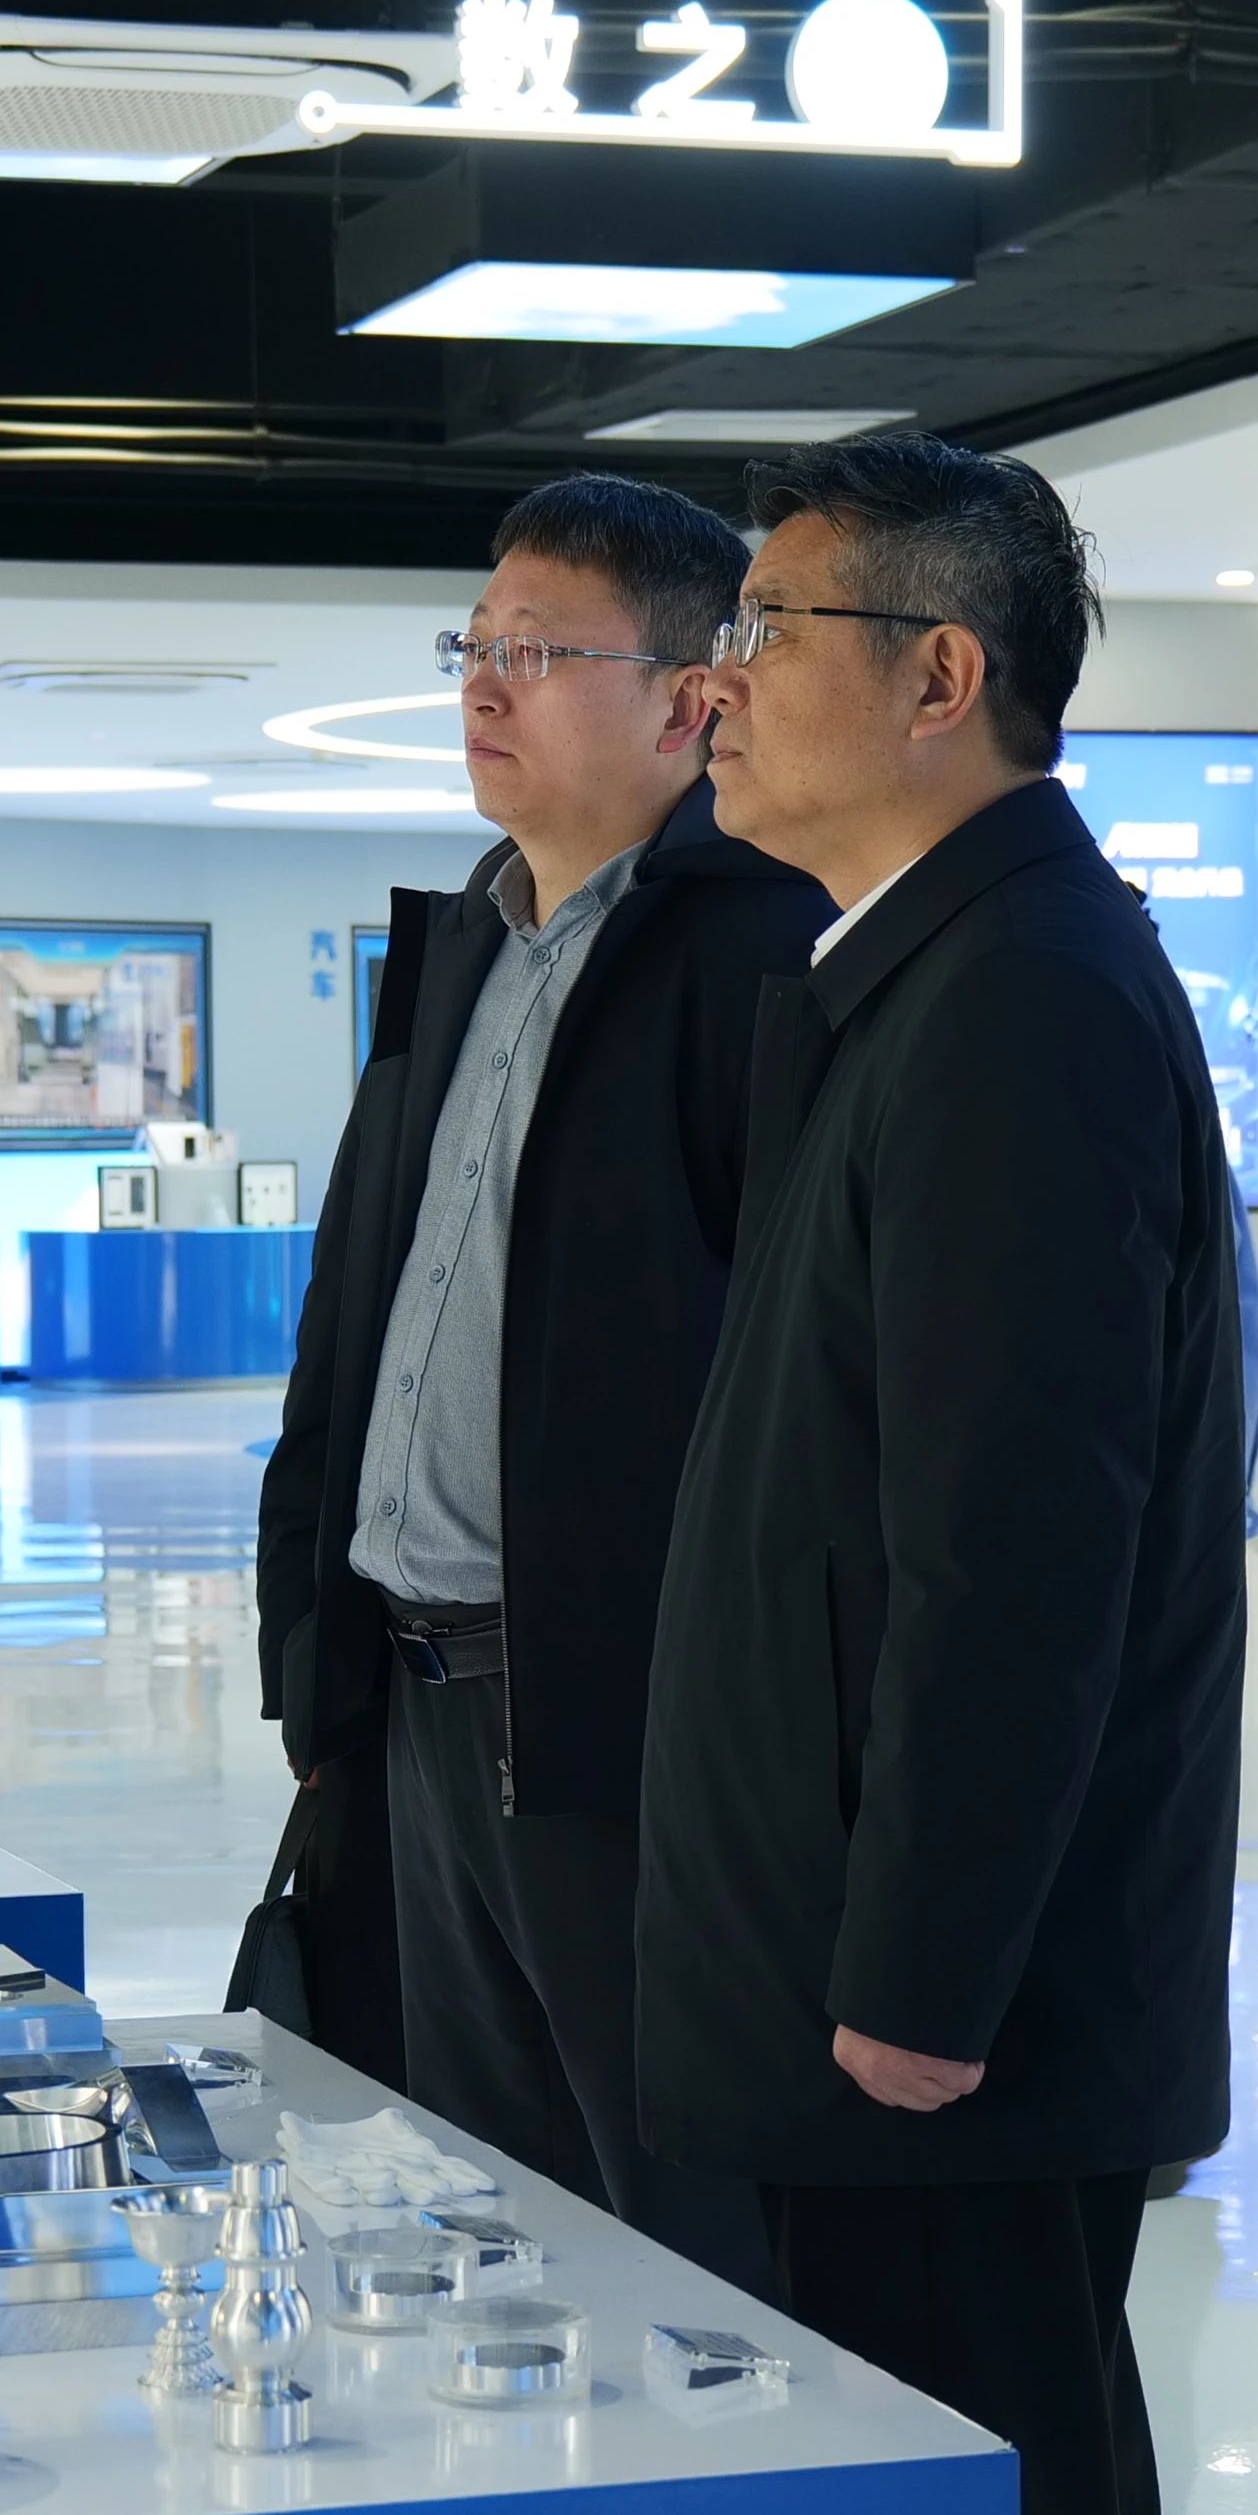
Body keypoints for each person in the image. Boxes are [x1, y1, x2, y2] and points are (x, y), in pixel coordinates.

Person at [642, 437, 1237, 2515]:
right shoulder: (927, 968)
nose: (719, 684)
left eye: (767, 626)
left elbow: (1021, 1544)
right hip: (906, 1981)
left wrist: (914, 1980)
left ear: (941, 674)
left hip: (937, 2024)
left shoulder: (1015, 1000)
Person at [259, 474, 827, 2285]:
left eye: (539, 651)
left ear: (687, 701)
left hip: (615, 1721)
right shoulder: (470, 942)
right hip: (415, 1699)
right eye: (474, 645)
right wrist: (312, 1654)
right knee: (488, 2216)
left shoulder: (765, 959)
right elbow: (359, 1318)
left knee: (673, 2238)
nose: (483, 685)